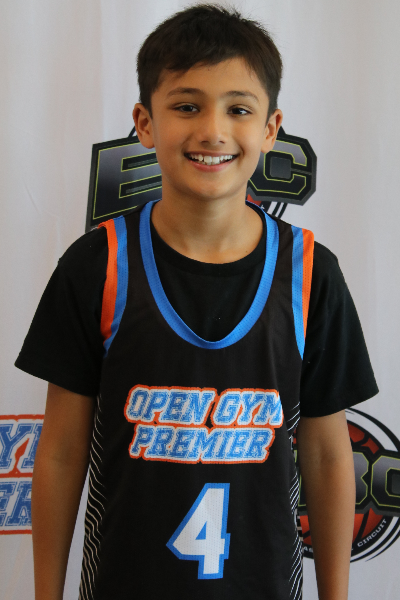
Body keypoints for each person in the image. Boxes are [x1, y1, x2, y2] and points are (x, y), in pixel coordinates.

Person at [15, 4, 378, 600]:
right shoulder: (97, 265)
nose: (212, 130)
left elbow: (328, 455)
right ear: (145, 122)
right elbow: (60, 452)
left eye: (238, 109)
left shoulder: (311, 273)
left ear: (271, 128)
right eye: (187, 106)